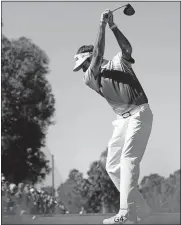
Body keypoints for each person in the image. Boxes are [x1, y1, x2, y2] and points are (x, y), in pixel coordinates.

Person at [73, 9, 153, 224]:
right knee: (111, 165)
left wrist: (113, 26)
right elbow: (98, 55)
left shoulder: (118, 62)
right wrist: (101, 24)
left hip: (139, 114)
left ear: (88, 59)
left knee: (128, 160)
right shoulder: (90, 78)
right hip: (121, 121)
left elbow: (126, 48)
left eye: (83, 65)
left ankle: (126, 211)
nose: (83, 71)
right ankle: (141, 208)